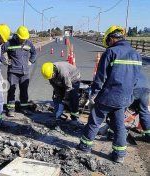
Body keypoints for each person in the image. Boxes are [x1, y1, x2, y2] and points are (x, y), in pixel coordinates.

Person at [77, 25, 142, 163]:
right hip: (124, 98)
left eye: (108, 41)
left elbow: (101, 78)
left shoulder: (110, 52)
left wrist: (93, 93)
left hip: (108, 97)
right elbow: (136, 79)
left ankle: (84, 147)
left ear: (112, 38)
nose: (108, 44)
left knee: (94, 122)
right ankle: (119, 155)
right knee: (119, 126)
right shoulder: (136, 54)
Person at [2, 26, 36, 117]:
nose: (23, 40)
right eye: (21, 38)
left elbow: (34, 53)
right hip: (13, 71)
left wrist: (31, 61)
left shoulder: (28, 43)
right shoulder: (9, 43)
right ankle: (10, 109)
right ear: (17, 35)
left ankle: (24, 108)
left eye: (24, 38)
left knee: (24, 91)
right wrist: (5, 61)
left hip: (25, 72)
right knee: (11, 90)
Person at [41, 61, 81, 127]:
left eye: (52, 76)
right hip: (61, 79)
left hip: (73, 78)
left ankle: (74, 118)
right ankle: (58, 115)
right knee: (57, 96)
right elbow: (55, 86)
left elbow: (68, 87)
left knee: (73, 96)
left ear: (54, 71)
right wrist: (58, 94)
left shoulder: (64, 73)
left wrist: (65, 97)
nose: (51, 78)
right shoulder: (49, 73)